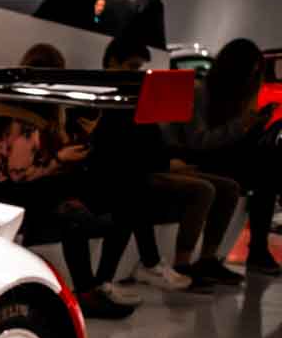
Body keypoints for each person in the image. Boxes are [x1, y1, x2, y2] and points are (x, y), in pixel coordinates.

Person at [0, 44, 135, 318]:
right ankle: (89, 290)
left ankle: (94, 285)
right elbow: (19, 172)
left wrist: (64, 149)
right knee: (71, 210)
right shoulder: (13, 115)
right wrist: (59, 158)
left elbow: (33, 162)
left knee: (83, 194)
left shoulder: (20, 105)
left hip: (13, 187)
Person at [95, 33, 243, 291]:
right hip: (130, 169)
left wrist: (166, 159)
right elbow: (117, 147)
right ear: (112, 62)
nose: (139, 73)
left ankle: (184, 261)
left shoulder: (134, 98)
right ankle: (165, 264)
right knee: (145, 189)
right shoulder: (104, 97)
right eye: (132, 67)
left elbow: (150, 142)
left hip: (146, 165)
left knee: (224, 187)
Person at [166, 37, 282, 276]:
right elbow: (198, 142)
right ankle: (255, 250)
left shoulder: (233, 98)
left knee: (268, 165)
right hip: (195, 158)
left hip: (218, 156)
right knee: (265, 171)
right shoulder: (200, 92)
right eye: (250, 72)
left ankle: (240, 252)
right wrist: (243, 125)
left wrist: (253, 126)